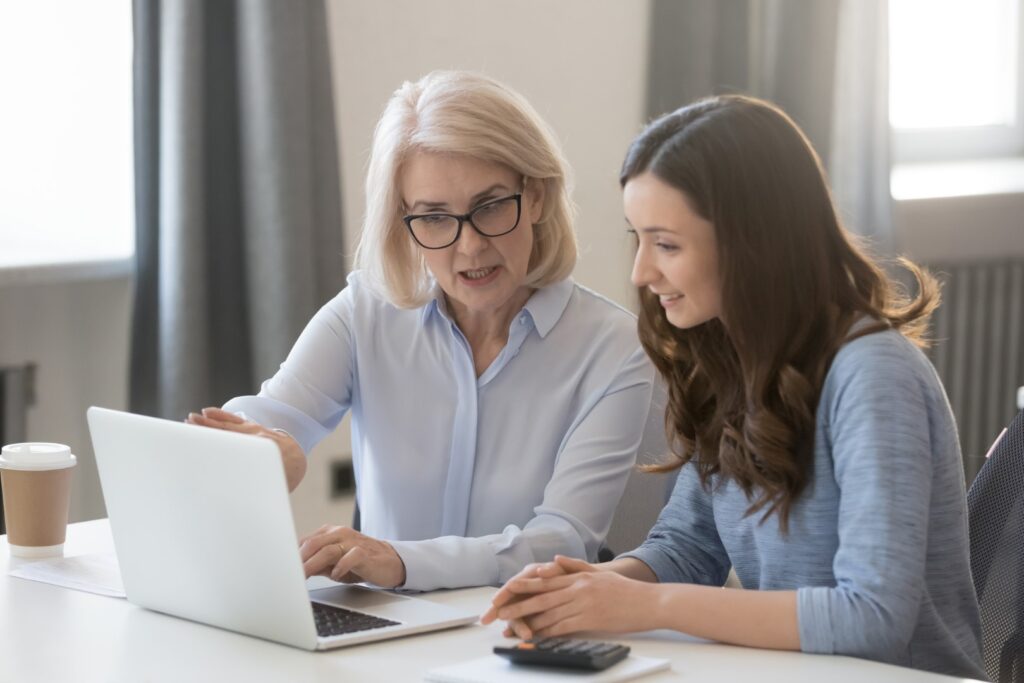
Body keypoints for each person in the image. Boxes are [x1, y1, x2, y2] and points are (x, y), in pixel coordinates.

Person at [482, 95, 986, 679]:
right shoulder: (732, 359)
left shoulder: (873, 375)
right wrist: (589, 587)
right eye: (638, 239)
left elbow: (870, 619)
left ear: (753, 244)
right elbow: (687, 550)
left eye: (666, 244)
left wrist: (647, 606)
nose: (641, 273)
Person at [186, 70, 661, 593]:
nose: (470, 247)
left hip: (518, 632)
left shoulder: (614, 348)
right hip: (385, 631)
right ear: (403, 222)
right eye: (434, 217)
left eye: (491, 206)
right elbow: (263, 417)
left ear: (538, 197)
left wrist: (403, 563)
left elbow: (562, 539)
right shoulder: (366, 311)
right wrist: (267, 447)